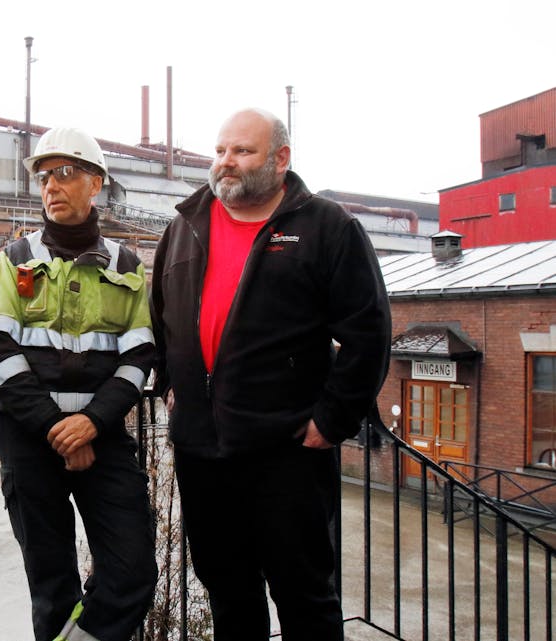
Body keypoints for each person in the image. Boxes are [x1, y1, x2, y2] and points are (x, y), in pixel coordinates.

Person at [150, 109, 391, 641]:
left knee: (302, 592)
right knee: (227, 588)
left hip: (287, 451)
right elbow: (161, 320)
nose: (225, 163)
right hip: (202, 451)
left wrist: (331, 421)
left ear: (281, 159)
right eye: (220, 151)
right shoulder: (184, 226)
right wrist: (170, 384)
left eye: (242, 151)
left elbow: (368, 334)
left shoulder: (327, 228)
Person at [0, 127, 158, 641]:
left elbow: (140, 355)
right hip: (31, 442)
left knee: (134, 572)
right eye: (44, 176)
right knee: (53, 587)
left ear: (95, 183)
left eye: (66, 173)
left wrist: (92, 423)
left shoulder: (126, 266)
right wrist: (59, 428)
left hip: (103, 440)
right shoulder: (14, 260)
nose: (52, 185)